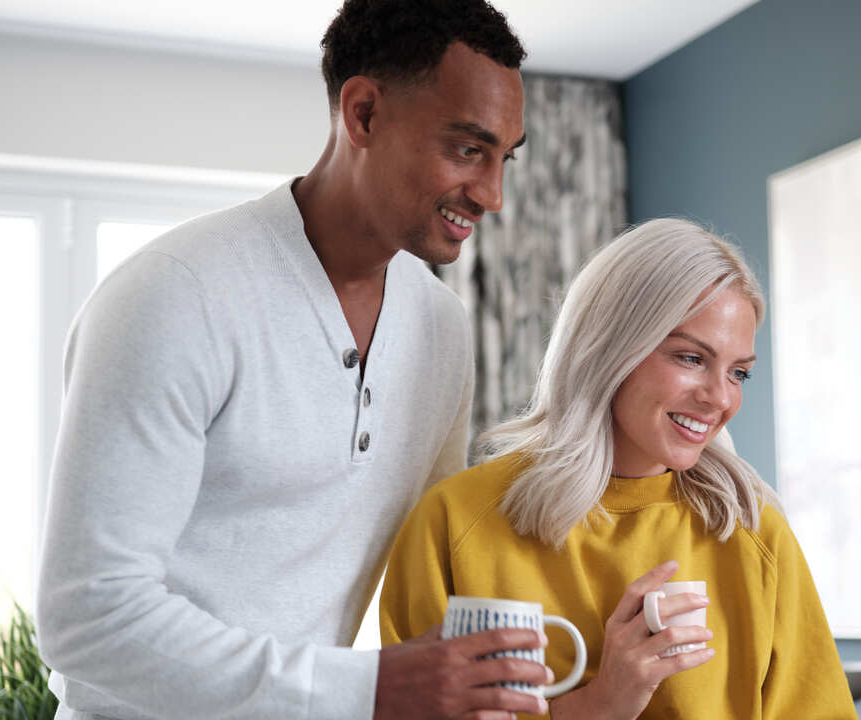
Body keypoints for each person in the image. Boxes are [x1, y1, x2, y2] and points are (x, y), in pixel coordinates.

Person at [35, 1, 554, 718]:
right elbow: (87, 620)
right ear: (364, 113)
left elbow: (432, 559)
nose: (493, 195)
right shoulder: (175, 295)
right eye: (467, 149)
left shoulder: (443, 328)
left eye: (505, 158)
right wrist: (370, 689)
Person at [378, 218, 857, 719]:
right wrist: (600, 704)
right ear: (611, 347)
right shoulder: (456, 522)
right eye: (691, 358)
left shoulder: (752, 531)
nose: (720, 398)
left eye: (739, 372)